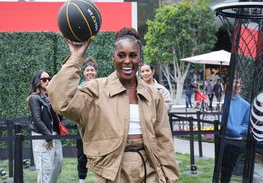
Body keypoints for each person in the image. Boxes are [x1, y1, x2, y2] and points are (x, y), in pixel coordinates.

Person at [47, 27, 179, 182]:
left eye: (133, 55)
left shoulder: (153, 95)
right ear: (113, 58)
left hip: (150, 173)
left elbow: (164, 140)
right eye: (121, 55)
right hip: (111, 173)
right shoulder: (96, 90)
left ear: (140, 59)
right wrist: (76, 57)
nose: (127, 61)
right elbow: (62, 101)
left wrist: (170, 177)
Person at [27, 71, 63, 183]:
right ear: (38, 82)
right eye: (44, 79)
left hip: (54, 135)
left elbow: (58, 118)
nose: (47, 81)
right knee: (45, 170)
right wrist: (48, 136)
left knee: (57, 165)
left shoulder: (50, 97)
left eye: (49, 78)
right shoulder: (34, 98)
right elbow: (37, 120)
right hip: (42, 137)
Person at [220, 77, 250, 183]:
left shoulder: (246, 105)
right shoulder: (225, 102)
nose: (237, 85)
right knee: (219, 168)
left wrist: (237, 130)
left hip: (236, 142)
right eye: (234, 83)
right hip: (223, 139)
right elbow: (224, 123)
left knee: (229, 169)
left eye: (239, 83)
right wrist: (237, 129)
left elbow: (246, 125)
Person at [77, 56, 98, 183]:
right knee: (82, 155)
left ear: (96, 71)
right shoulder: (78, 88)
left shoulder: (102, 85)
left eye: (92, 70)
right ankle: (81, 180)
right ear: (83, 73)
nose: (90, 72)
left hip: (98, 126)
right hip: (83, 126)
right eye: (87, 70)